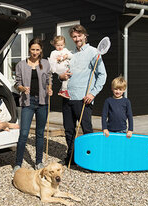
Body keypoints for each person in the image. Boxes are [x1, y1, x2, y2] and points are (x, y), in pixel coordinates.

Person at [59, 24, 107, 166]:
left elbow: (102, 75)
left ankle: (90, 159)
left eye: (79, 35)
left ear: (85, 36)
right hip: (67, 97)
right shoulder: (70, 54)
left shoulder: (94, 52)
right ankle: (72, 157)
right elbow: (63, 74)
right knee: (69, 130)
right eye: (74, 36)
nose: (77, 38)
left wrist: (92, 93)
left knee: (87, 130)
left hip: (83, 98)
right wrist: (61, 77)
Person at [13, 38, 53, 173]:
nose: (35, 52)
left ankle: (39, 162)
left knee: (40, 134)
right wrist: (22, 88)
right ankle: (18, 164)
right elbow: (16, 83)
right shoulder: (21, 65)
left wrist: (50, 88)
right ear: (29, 49)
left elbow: (49, 79)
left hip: (42, 102)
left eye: (37, 49)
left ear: (41, 50)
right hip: (27, 102)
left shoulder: (46, 63)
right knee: (23, 133)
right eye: (32, 49)